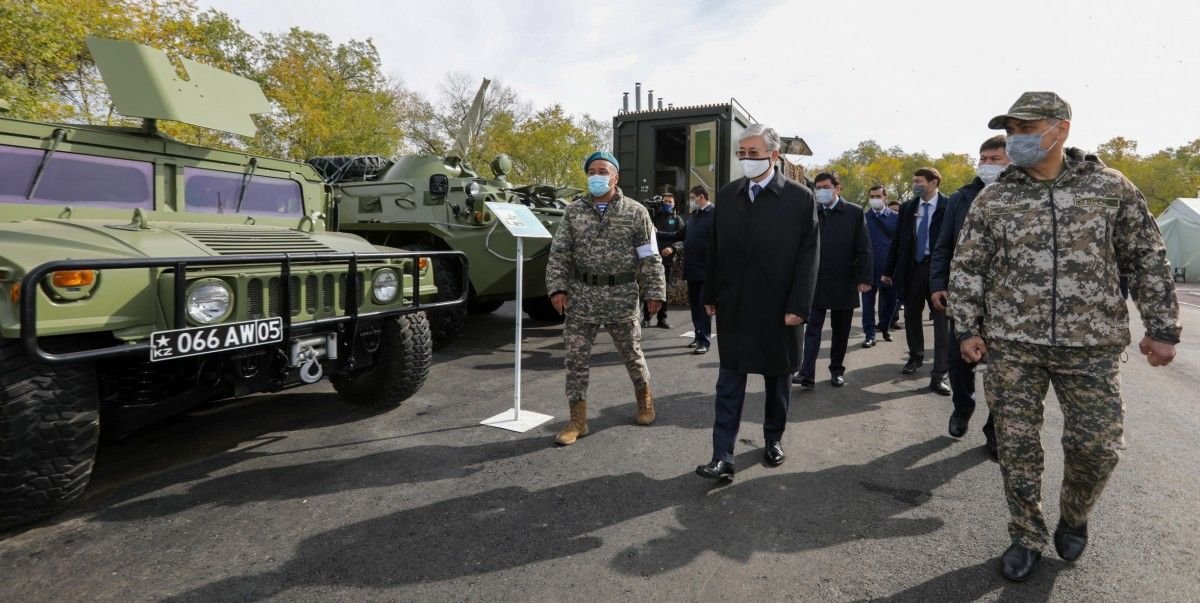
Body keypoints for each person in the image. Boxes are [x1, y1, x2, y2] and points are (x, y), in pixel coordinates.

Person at [951, 91, 1181, 582]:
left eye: (1027, 130)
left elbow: (1147, 257)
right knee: (1016, 447)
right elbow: (968, 265)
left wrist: (1161, 328)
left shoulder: (1109, 187)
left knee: (1097, 446)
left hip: (1091, 344)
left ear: (1061, 130)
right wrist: (966, 327)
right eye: (1011, 131)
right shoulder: (997, 197)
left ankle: (1075, 514)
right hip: (1014, 344)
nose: (1017, 141)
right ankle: (1026, 534)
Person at [695, 124, 819, 480]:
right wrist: (711, 294)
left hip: (780, 310)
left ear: (774, 155)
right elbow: (717, 249)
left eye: (754, 153)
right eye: (742, 153)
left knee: (777, 381)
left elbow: (808, 257)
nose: (746, 159)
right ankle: (722, 455)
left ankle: (773, 439)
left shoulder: (799, 198)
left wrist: (799, 306)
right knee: (728, 383)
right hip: (735, 306)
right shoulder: (729, 194)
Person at [545, 151, 667, 446]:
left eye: (602, 171)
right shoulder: (574, 211)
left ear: (615, 177)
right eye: (591, 171)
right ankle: (577, 420)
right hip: (582, 296)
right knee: (575, 361)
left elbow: (649, 256)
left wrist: (654, 291)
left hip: (621, 296)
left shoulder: (636, 212)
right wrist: (557, 288)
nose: (596, 176)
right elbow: (560, 253)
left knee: (632, 355)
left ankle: (644, 400)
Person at [931, 135, 1007, 459]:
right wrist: (937, 283)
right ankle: (962, 408)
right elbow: (943, 245)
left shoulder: (1025, 198)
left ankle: (995, 429)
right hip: (965, 298)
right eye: (983, 158)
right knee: (958, 361)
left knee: (1004, 370)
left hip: (1008, 304)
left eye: (995, 159)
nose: (986, 165)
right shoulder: (962, 198)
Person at [792, 172, 872, 389]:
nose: (821, 191)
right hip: (816, 280)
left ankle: (836, 370)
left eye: (826, 186)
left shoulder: (854, 213)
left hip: (844, 280)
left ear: (838, 188)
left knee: (841, 330)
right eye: (818, 187)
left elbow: (863, 248)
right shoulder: (813, 211)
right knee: (812, 329)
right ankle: (806, 372)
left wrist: (864, 278)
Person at [882, 167, 952, 396]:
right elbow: (897, 241)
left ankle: (940, 372)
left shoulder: (949, 206)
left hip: (940, 271)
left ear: (933, 182)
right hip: (913, 269)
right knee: (912, 315)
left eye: (919, 181)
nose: (915, 185)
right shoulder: (909, 208)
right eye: (914, 181)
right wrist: (889, 270)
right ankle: (915, 357)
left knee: (942, 322)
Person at [660, 185, 715, 354]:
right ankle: (698, 337)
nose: (690, 202)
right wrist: (655, 232)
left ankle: (705, 341)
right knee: (695, 306)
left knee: (704, 305)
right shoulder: (694, 216)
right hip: (692, 269)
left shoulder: (715, 214)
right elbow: (678, 235)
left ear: (701, 197)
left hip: (707, 270)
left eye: (692, 198)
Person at [861, 184, 899, 347]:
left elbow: (900, 244)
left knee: (891, 303)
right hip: (868, 268)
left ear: (885, 197)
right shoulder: (862, 218)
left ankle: (885, 327)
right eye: (872, 197)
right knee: (868, 304)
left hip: (889, 269)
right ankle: (869, 335)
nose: (875, 200)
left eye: (878, 196)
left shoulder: (896, 218)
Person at [642, 192, 684, 328]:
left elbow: (682, 239)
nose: (667, 204)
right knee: (648, 288)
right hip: (651, 259)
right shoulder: (653, 217)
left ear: (674, 204)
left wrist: (673, 248)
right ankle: (646, 317)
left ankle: (662, 319)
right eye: (664, 201)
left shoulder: (677, 220)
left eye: (669, 202)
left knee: (663, 290)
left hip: (667, 261)